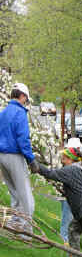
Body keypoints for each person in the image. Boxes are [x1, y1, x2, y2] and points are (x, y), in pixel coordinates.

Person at [0, 83, 38, 234]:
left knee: (14, 193)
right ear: (22, 96)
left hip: (1, 156)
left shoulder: (3, 112)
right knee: (26, 195)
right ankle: (27, 231)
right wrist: (31, 159)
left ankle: (14, 224)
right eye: (26, 99)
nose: (25, 102)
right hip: (14, 156)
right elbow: (23, 139)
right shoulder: (20, 113)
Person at [60, 138, 82, 244]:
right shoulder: (67, 162)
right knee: (67, 218)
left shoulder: (80, 162)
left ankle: (73, 241)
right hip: (68, 196)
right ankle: (64, 240)